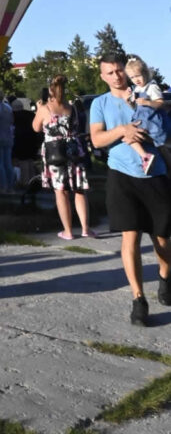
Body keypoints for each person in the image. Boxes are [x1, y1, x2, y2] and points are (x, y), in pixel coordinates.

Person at [90, 53, 171, 326]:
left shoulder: (145, 91)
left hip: (154, 172)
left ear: (126, 71)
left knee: (161, 239)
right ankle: (138, 299)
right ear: (102, 76)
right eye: (109, 72)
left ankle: (165, 275)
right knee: (130, 236)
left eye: (119, 71)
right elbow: (97, 139)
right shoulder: (100, 103)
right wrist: (122, 130)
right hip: (121, 174)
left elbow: (164, 118)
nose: (116, 76)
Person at [32, 75, 93, 240]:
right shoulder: (71, 107)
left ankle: (68, 231)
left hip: (55, 152)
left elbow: (36, 127)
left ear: (50, 91)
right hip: (74, 150)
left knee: (61, 191)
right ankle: (86, 228)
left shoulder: (45, 109)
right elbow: (76, 126)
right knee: (79, 190)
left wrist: (39, 108)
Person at [124, 55, 171, 173]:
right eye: (132, 77)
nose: (136, 80)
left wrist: (147, 102)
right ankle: (145, 157)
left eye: (138, 75)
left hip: (152, 123)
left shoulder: (152, 87)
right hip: (142, 121)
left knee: (129, 137)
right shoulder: (137, 89)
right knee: (127, 136)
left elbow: (160, 103)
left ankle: (146, 157)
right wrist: (129, 101)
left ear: (145, 73)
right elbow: (135, 107)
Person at [11, 98, 43, 186]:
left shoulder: (13, 115)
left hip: (20, 142)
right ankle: (32, 180)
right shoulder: (30, 114)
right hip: (32, 141)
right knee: (30, 161)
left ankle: (25, 182)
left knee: (23, 162)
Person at [0, 90, 15, 192]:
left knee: (0, 163)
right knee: (8, 163)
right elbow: (12, 121)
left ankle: (2, 185)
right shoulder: (8, 108)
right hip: (8, 137)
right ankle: (10, 185)